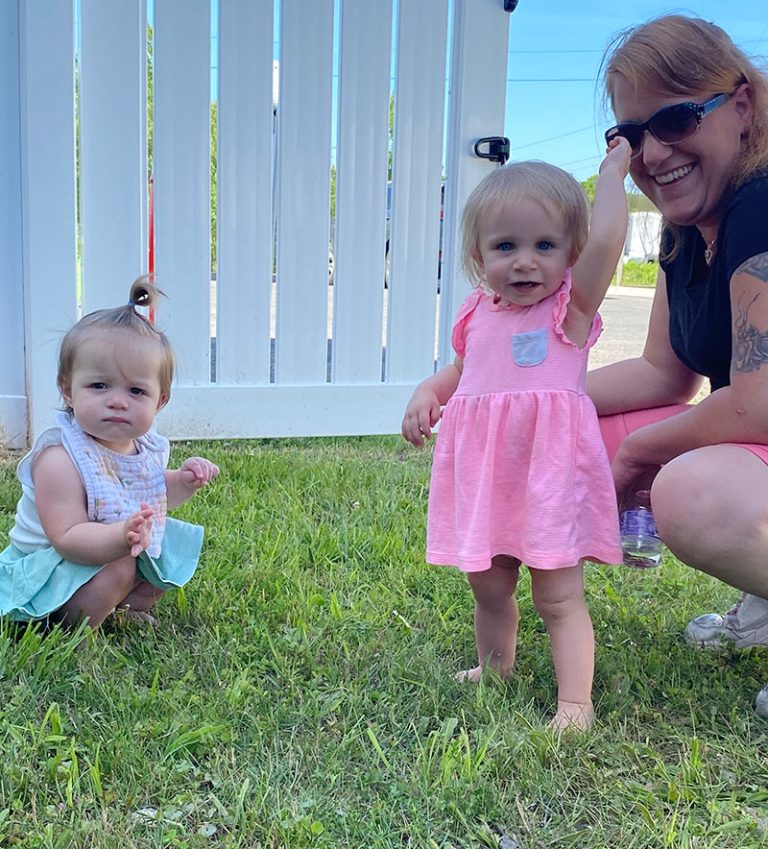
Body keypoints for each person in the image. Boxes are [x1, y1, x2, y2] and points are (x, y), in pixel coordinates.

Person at [402, 139, 631, 730]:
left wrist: (613, 173)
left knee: (557, 595)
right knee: (489, 584)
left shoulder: (568, 312)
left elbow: (608, 242)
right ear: (479, 255)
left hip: (548, 481)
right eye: (506, 246)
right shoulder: (475, 315)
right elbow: (460, 373)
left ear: (571, 254)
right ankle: (494, 666)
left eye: (545, 246)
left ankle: (574, 703)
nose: (525, 262)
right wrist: (428, 394)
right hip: (487, 481)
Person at [594, 14, 768, 717]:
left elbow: (757, 404)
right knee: (578, 432)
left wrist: (637, 455)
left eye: (674, 117)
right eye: (633, 135)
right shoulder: (685, 229)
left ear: (742, 107)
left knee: (687, 489)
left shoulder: (760, 204)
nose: (654, 151)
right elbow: (665, 373)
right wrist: (525, 395)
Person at [0, 278, 219, 630]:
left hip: (98, 554)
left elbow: (149, 492)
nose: (117, 400)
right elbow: (68, 537)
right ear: (68, 391)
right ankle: (67, 627)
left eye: (136, 390)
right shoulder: (59, 458)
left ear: (159, 401)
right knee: (122, 562)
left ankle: (119, 608)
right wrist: (119, 539)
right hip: (44, 569)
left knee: (157, 559)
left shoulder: (143, 448)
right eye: (99, 385)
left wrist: (184, 481)